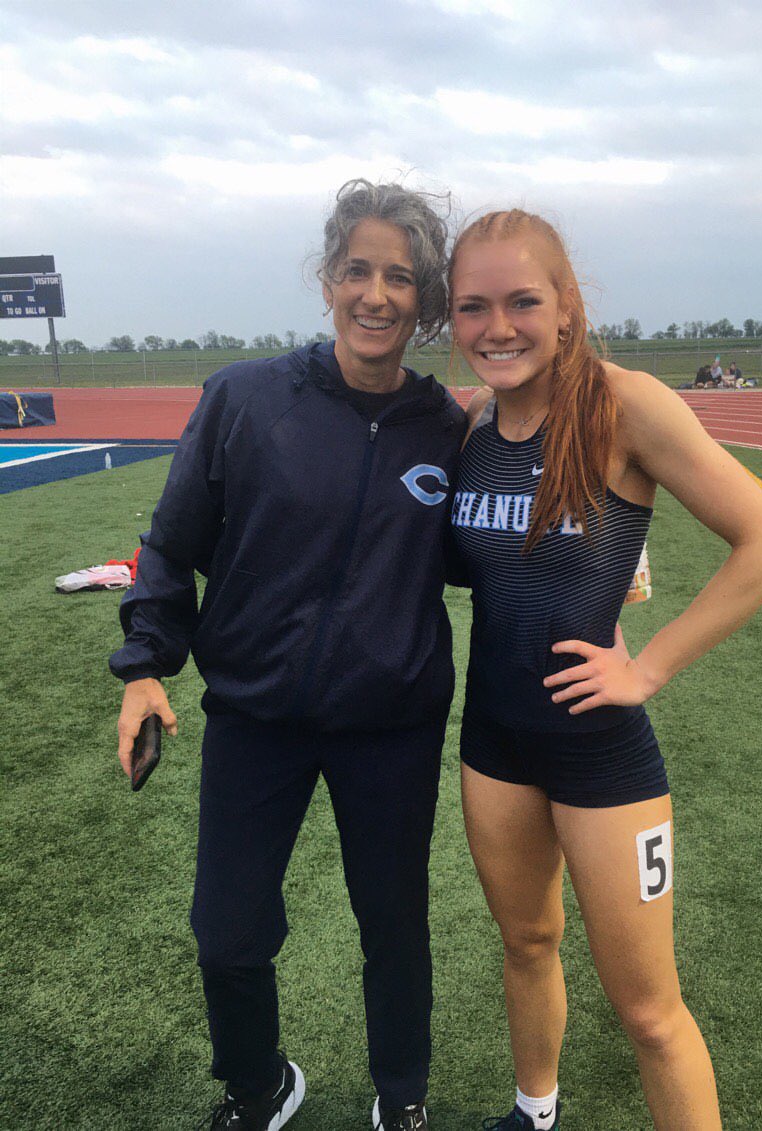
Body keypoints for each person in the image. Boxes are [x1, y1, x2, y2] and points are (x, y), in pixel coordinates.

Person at [111, 179, 466, 1131]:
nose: (376, 295)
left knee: (394, 924)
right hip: (255, 714)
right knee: (227, 933)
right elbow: (171, 543)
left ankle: (402, 1094)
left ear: (426, 301)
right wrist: (144, 666)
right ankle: (259, 1082)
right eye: (358, 270)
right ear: (328, 278)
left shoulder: (448, 429)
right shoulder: (245, 397)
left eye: (401, 278)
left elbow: (489, 554)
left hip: (390, 725)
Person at [447, 209, 762, 1130]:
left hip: (600, 753)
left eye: (523, 301)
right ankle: (534, 1110)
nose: (498, 326)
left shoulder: (626, 403)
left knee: (648, 1011)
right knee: (527, 942)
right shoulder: (477, 419)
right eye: (474, 306)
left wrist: (647, 669)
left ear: (566, 304)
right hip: (493, 742)